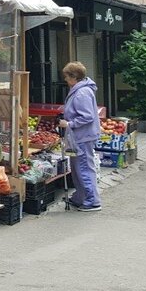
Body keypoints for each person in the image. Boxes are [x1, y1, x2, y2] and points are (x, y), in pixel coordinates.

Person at [59, 61, 103, 212]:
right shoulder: (80, 89)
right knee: (78, 168)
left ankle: (92, 201)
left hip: (83, 137)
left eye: (66, 76)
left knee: (83, 168)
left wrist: (69, 124)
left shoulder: (82, 92)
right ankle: (80, 197)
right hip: (79, 137)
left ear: (74, 77)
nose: (65, 80)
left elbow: (87, 116)